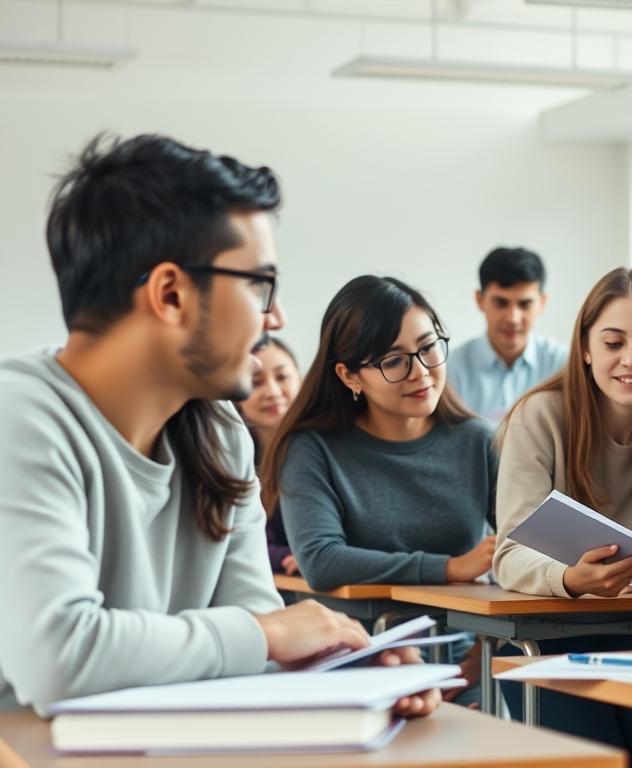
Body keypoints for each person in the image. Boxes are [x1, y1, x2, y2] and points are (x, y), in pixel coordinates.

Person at [0, 134, 437, 719]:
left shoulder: (217, 432)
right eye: (260, 284)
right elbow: (59, 657)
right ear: (172, 294)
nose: (275, 317)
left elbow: (258, 634)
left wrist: (340, 663)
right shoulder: (21, 416)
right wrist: (266, 638)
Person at [493, 266, 632, 766]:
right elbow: (509, 554)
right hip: (558, 636)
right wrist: (568, 578)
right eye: (613, 342)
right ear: (585, 348)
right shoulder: (540, 416)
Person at [264, 274, 497, 705]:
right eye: (394, 361)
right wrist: (449, 568)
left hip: (459, 666)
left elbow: (519, 549)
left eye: (428, 348)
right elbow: (321, 559)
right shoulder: (312, 447)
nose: (422, 372)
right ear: (349, 375)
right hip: (353, 662)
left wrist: (485, 654)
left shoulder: (478, 440)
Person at [448, 247, 567, 424]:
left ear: (542, 303)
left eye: (525, 304)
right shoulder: (451, 369)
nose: (513, 318)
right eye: (501, 303)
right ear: (479, 300)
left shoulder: (564, 365)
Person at [238, 337, 302, 575]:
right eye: (255, 382)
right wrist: (287, 556)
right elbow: (240, 541)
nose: (273, 392)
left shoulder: (325, 449)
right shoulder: (233, 458)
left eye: (282, 377)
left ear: (301, 378)